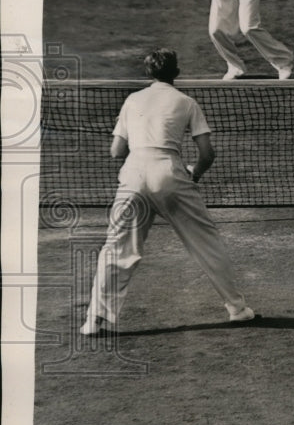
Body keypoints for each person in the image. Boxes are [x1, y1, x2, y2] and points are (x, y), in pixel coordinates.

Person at [79, 48, 255, 335]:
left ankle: (93, 321)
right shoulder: (186, 102)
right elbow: (207, 154)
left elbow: (115, 152)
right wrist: (193, 174)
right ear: (176, 72)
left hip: (133, 176)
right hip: (170, 176)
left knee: (115, 250)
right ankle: (237, 309)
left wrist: (139, 166)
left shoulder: (132, 99)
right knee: (206, 243)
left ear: (148, 73)